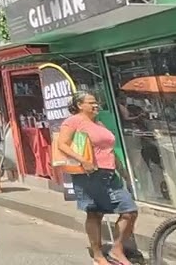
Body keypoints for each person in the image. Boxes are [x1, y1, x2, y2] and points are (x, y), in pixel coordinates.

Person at [56, 91, 141, 265]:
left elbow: (109, 148)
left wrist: (122, 169)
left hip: (109, 173)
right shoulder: (73, 121)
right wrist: (83, 161)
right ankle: (98, 254)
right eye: (91, 102)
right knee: (95, 213)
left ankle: (117, 249)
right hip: (89, 173)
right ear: (80, 105)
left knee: (129, 211)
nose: (96, 105)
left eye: (96, 102)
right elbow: (62, 144)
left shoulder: (98, 123)